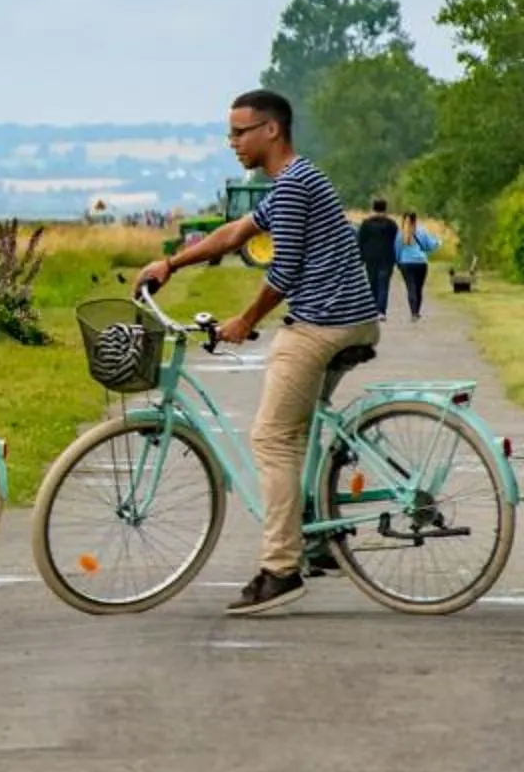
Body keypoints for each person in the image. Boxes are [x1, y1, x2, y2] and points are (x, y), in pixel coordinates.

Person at [135, 88, 379, 617]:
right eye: (229, 134)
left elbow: (283, 271)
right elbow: (234, 233)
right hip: (351, 317)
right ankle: (318, 538)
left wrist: (245, 321)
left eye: (240, 132)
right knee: (299, 431)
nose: (233, 142)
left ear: (272, 130)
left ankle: (280, 570)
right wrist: (171, 264)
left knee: (271, 438)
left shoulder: (292, 185)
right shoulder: (295, 179)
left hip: (321, 324)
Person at [357, 196, 401, 317]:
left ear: (373, 208)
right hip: (387, 257)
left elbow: (360, 241)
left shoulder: (366, 224)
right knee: (383, 285)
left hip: (370, 258)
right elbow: (397, 241)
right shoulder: (391, 224)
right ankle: (381, 311)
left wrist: (360, 258)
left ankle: (372, 309)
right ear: (385, 209)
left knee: (372, 283)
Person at [393, 210, 438, 321]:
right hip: (421, 262)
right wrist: (438, 242)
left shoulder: (400, 234)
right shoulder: (422, 231)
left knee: (411, 287)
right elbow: (429, 246)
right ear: (415, 220)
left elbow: (397, 250)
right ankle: (417, 312)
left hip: (406, 263)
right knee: (418, 288)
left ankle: (413, 312)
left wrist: (397, 262)